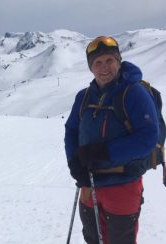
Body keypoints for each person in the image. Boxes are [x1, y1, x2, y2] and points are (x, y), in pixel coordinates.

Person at [64, 36, 158, 244]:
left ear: (118, 61)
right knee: (92, 238)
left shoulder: (134, 93)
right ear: (91, 68)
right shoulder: (84, 97)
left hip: (123, 184)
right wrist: (74, 161)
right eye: (97, 63)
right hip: (89, 184)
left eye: (109, 60)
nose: (104, 67)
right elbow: (71, 130)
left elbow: (148, 137)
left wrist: (103, 152)